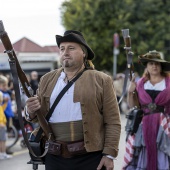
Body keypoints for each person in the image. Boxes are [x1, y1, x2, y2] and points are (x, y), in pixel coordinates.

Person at [25, 30, 121, 170]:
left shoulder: (101, 80)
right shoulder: (46, 79)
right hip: (54, 156)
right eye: (62, 49)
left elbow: (113, 121)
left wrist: (109, 154)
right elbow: (35, 117)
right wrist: (29, 110)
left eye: (71, 48)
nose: (65, 52)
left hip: (90, 156)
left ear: (84, 53)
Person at [122, 50, 170, 170]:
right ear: (147, 66)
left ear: (161, 66)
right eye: (151, 63)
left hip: (164, 126)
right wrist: (130, 91)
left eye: (157, 63)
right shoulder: (140, 84)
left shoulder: (168, 83)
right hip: (145, 125)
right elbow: (134, 106)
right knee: (144, 153)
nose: (154, 66)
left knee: (163, 155)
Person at [0, 87, 12, 159]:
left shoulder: (0, 106)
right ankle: (3, 153)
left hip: (2, 125)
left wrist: (6, 102)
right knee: (2, 140)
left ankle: (2, 153)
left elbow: (3, 107)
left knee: (2, 140)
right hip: (1, 125)